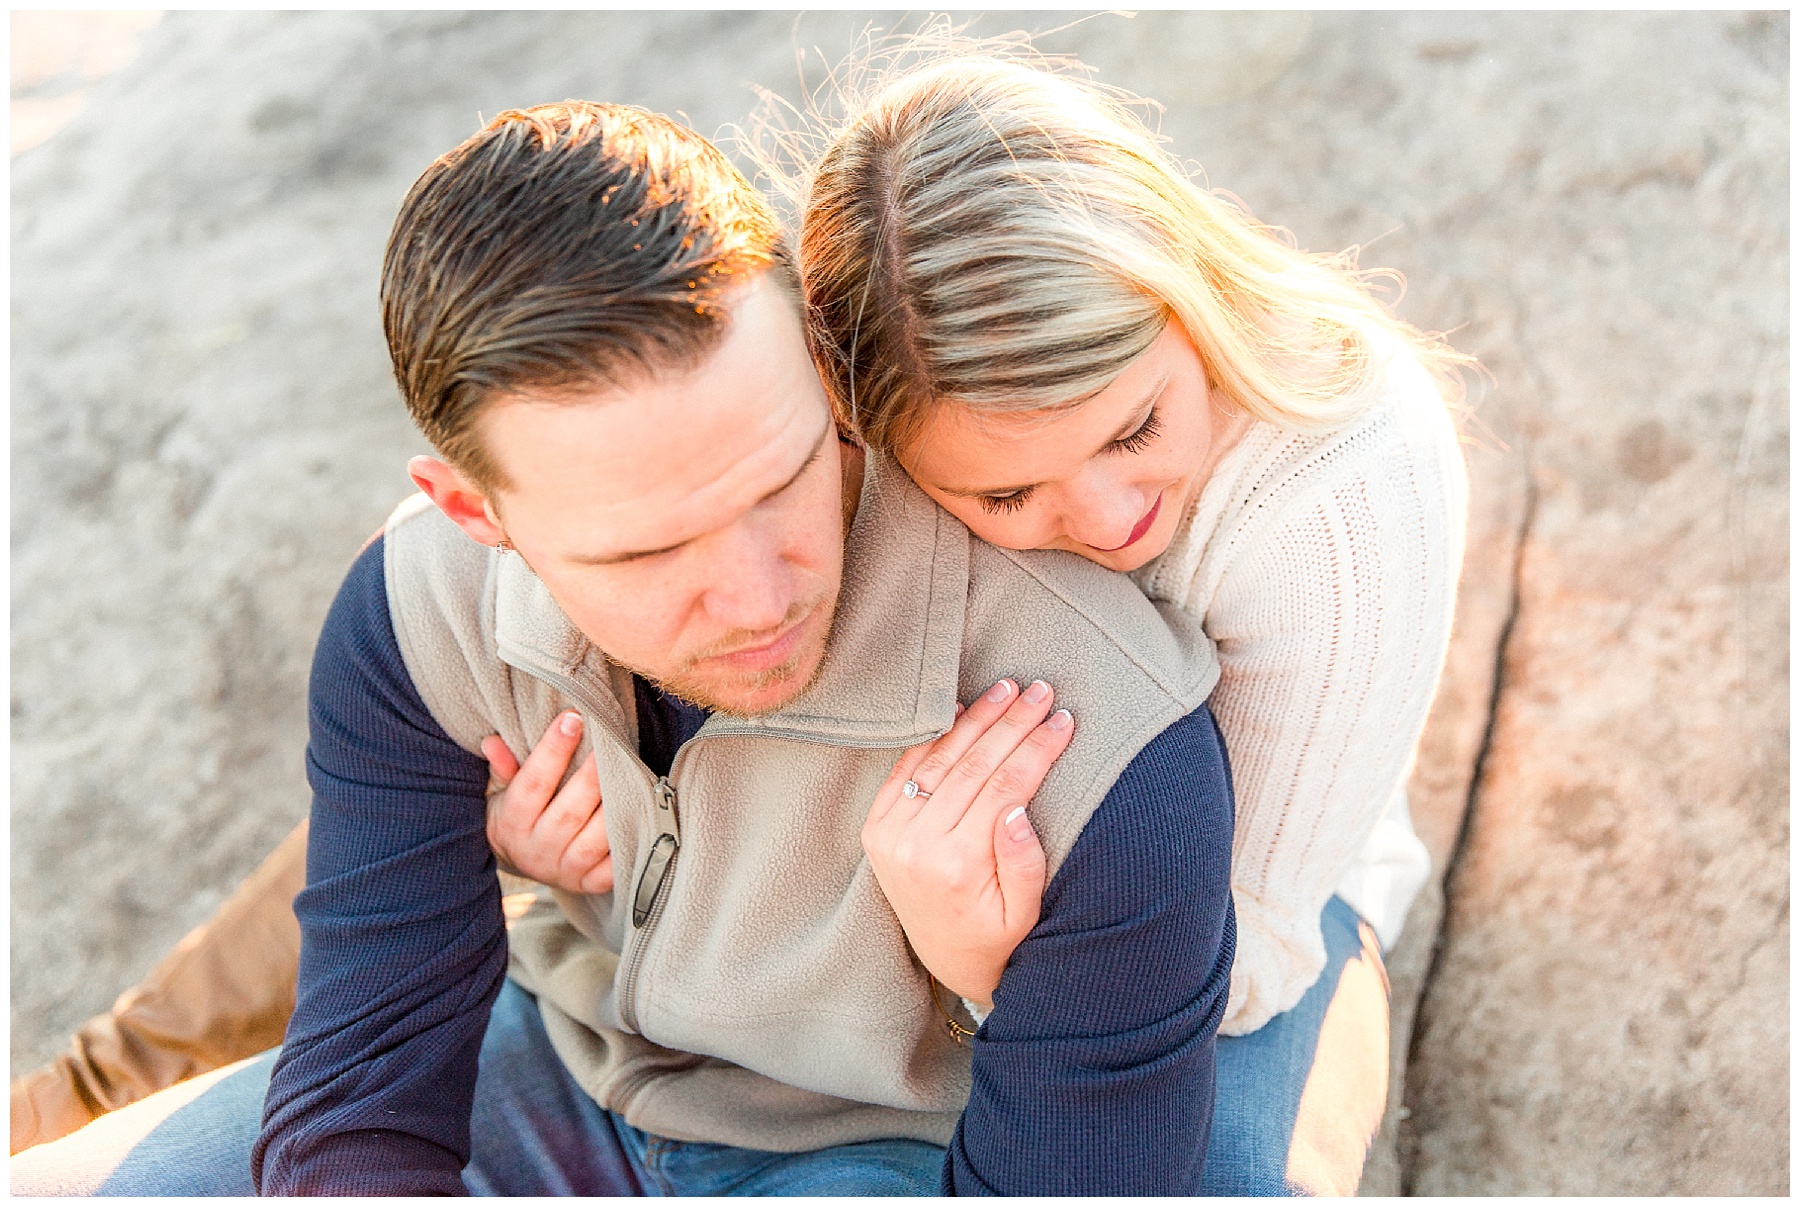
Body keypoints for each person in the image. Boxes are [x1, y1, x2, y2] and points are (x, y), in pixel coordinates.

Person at [10, 100, 1235, 1196]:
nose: (756, 598)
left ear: (821, 364)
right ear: (475, 515)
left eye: (784, 481)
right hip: (565, 1065)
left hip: (886, 1152)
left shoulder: (1114, 742)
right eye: (648, 554)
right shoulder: (411, 614)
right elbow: (366, 1078)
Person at [783, 54, 1473, 1195]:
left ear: (1183, 288)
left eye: (1135, 424)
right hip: (920, 888)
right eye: (1007, 497)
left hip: (1223, 946)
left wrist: (978, 957)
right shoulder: (864, 432)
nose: (1109, 521)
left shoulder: (1336, 500)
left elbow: (1254, 955)